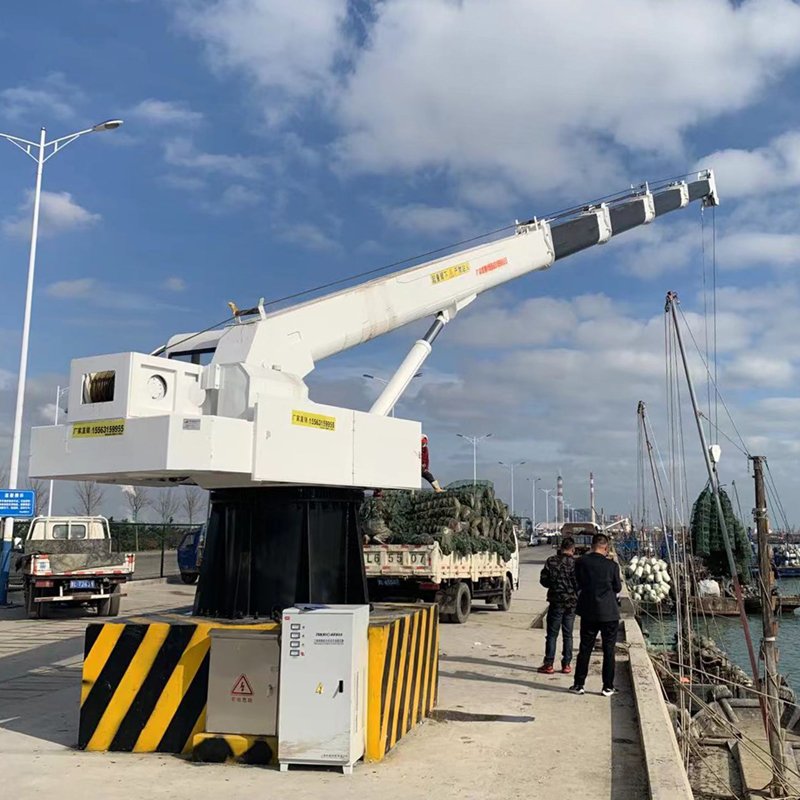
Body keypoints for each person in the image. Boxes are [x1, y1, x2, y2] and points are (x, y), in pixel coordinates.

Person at [570, 532, 622, 697]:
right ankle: (608, 686)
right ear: (606, 547)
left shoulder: (581, 562)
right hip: (609, 613)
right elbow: (617, 588)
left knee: (585, 648)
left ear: (592, 546)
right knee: (609, 650)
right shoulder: (612, 566)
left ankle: (579, 684)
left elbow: (577, 582)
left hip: (589, 611)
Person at [537, 536, 578, 674]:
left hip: (556, 602)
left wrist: (554, 585)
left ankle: (549, 664)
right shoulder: (576, 563)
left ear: (561, 547)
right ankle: (566, 664)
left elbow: (544, 581)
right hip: (571, 603)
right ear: (573, 549)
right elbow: (581, 583)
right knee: (568, 635)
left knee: (552, 635)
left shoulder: (551, 561)